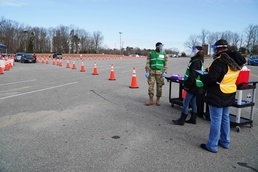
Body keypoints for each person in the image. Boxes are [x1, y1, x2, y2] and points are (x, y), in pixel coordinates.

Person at [200, 39, 246, 153]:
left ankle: (212, 145)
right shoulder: (235, 61)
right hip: (229, 92)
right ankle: (225, 142)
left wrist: (203, 77)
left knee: (216, 120)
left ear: (219, 48)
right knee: (225, 118)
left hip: (218, 93)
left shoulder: (220, 61)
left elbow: (211, 78)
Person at [172, 46, 204, 125]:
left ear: (197, 52)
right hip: (197, 85)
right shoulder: (198, 60)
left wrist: (188, 85)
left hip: (193, 85)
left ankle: (182, 119)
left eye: (193, 50)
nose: (192, 52)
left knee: (186, 102)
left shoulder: (196, 61)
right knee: (193, 102)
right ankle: (193, 118)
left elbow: (193, 75)